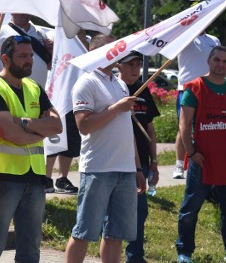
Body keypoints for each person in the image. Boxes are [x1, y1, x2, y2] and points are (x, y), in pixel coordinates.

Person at [0, 35, 62, 263]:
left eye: (31, 56)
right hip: (4, 177)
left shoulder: (34, 86)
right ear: (5, 59)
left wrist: (24, 122)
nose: (29, 61)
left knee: (30, 251)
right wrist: (39, 130)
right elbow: (9, 133)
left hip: (35, 178)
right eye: (23, 56)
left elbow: (57, 125)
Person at [64, 34, 145, 263]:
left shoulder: (119, 84)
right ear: (96, 52)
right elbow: (84, 125)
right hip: (98, 168)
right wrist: (116, 108)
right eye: (112, 49)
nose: (117, 53)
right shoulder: (86, 82)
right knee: (84, 232)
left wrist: (137, 168)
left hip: (125, 169)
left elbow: (127, 130)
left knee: (116, 234)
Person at [176, 45, 226, 263]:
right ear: (208, 61)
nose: (220, 65)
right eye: (217, 60)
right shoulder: (195, 88)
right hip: (203, 162)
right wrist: (192, 152)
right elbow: (184, 125)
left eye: (225, 61)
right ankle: (184, 251)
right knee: (190, 210)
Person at [117, 50, 160, 263]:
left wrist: (155, 161)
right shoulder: (116, 89)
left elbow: (150, 129)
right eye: (130, 64)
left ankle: (135, 256)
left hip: (142, 160)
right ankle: (114, 254)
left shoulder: (143, 90)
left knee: (140, 210)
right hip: (119, 159)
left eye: (138, 64)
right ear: (119, 66)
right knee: (115, 211)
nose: (135, 68)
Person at [44, 29, 89, 195]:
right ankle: (46, 177)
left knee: (70, 140)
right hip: (55, 93)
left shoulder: (83, 41)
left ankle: (62, 178)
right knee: (53, 138)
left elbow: (87, 58)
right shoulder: (56, 35)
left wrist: (82, 40)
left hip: (72, 96)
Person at [173, 32, 221, 179]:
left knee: (210, 127)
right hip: (187, 89)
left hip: (209, 89)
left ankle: (209, 162)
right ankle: (179, 166)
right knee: (184, 128)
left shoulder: (214, 39)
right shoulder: (185, 36)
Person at [0, 13, 52, 89]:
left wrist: (51, 50)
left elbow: (50, 65)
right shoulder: (1, 32)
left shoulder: (39, 32)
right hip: (10, 90)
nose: (23, 14)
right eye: (20, 11)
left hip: (39, 92)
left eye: (26, 11)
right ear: (12, 12)